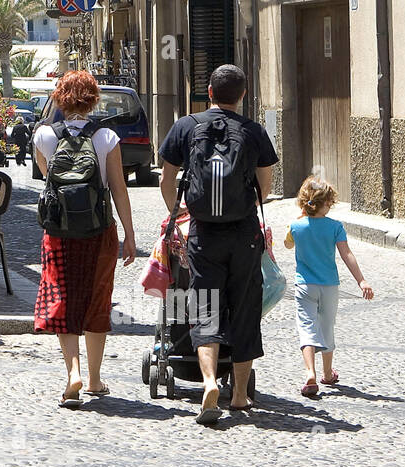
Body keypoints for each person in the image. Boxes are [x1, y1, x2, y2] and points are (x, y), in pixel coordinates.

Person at [158, 64, 277, 424]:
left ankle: (209, 382)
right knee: (244, 308)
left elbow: (166, 178)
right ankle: (239, 395)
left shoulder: (186, 127)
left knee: (205, 305)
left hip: (203, 233)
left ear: (208, 91)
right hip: (243, 234)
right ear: (242, 95)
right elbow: (266, 188)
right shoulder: (253, 131)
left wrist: (179, 214)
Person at [32, 70, 137, 407]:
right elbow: (119, 189)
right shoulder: (106, 137)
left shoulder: (45, 136)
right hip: (99, 231)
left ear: (60, 99)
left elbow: (49, 179)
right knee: (96, 298)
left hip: (60, 232)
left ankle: (72, 373)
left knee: (62, 297)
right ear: (94, 99)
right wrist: (130, 235)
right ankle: (94, 378)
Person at [283, 176, 374, 397]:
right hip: (330, 286)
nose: (331, 206)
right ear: (324, 203)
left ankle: (309, 373)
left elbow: (287, 244)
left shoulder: (296, 226)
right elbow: (346, 254)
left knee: (306, 328)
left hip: (305, 285)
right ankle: (327, 373)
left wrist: (300, 220)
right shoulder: (335, 226)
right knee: (326, 327)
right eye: (330, 203)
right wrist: (361, 280)